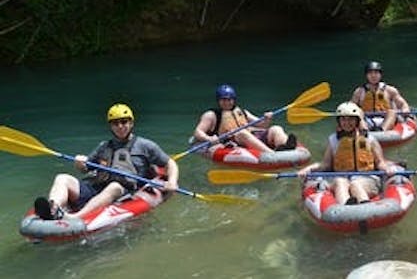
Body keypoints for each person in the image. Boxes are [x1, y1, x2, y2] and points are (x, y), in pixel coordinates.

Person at [33, 103, 179, 220]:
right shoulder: (104, 146)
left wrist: (172, 181)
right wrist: (80, 163)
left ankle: (76, 217)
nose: (120, 126)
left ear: (131, 123)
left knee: (114, 186)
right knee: (62, 178)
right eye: (115, 123)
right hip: (97, 187)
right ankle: (52, 209)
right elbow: (86, 168)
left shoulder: (145, 145)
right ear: (111, 126)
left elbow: (169, 163)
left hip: (125, 191)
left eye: (124, 122)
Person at [297, 102, 397, 205]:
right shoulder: (333, 140)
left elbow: (380, 162)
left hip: (366, 178)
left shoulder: (369, 139)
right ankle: (345, 206)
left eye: (350, 119)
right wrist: (308, 169)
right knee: (340, 181)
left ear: (357, 121)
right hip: (342, 177)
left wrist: (387, 169)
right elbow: (325, 164)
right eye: (343, 119)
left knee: (355, 184)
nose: (347, 122)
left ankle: (365, 205)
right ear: (339, 121)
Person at [193, 84, 297, 154]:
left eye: (230, 99)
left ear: (234, 100)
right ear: (218, 100)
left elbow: (262, 125)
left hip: (252, 138)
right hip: (233, 141)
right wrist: (209, 139)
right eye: (223, 99)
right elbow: (198, 132)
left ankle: (284, 147)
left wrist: (267, 119)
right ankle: (272, 155)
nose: (227, 102)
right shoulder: (211, 115)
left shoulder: (242, 112)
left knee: (276, 128)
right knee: (242, 133)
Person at [351, 61, 414, 131]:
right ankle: (364, 131)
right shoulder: (359, 92)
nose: (373, 76)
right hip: (366, 120)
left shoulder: (390, 90)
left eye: (376, 73)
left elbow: (403, 104)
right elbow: (351, 107)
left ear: (380, 75)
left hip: (386, 119)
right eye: (370, 73)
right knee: (358, 112)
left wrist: (405, 109)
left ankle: (382, 131)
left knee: (392, 112)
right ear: (366, 75)